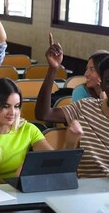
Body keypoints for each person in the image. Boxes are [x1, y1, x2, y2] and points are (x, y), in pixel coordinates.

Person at [35, 33, 109, 178]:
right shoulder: (85, 106)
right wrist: (53, 69)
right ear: (103, 84)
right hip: (84, 191)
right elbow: (43, 114)